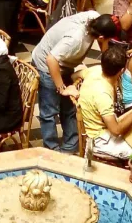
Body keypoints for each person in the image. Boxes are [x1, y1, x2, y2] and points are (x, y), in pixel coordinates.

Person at [32, 12, 120, 153]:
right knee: (49, 113)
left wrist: (106, 56)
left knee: (69, 108)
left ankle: (71, 146)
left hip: (64, 63)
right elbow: (51, 59)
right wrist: (62, 88)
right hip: (47, 65)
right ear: (102, 36)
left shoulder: (94, 17)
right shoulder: (76, 39)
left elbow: (102, 40)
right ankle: (51, 151)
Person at [77, 46, 132, 159]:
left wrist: (72, 87)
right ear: (121, 71)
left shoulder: (95, 70)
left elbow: (75, 75)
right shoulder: (103, 95)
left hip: (108, 123)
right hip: (101, 139)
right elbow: (116, 130)